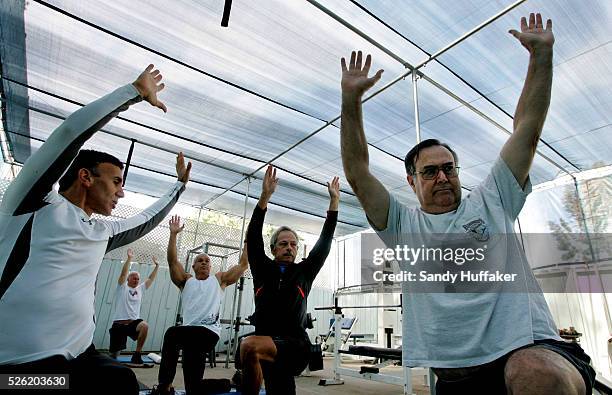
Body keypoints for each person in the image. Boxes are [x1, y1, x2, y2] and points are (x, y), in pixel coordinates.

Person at [340, 13, 595, 395]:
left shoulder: (491, 201)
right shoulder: (403, 226)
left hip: (528, 352)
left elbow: (527, 129)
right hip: (460, 379)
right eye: (429, 172)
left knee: (533, 371)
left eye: (449, 168)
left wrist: (540, 56)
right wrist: (351, 100)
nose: (442, 177)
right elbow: (358, 173)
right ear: (411, 181)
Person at [0, 65, 191, 394]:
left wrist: (179, 187)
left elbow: (148, 219)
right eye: (116, 181)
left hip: (78, 358)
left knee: (121, 381)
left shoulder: (100, 232)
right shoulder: (34, 202)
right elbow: (67, 135)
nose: (121, 192)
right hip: (18, 370)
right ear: (86, 177)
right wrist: (131, 93)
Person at [240, 166, 339, 395]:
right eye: (283, 244)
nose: (289, 248)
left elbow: (325, 241)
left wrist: (334, 203)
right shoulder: (262, 268)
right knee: (280, 388)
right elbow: (253, 237)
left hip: (296, 346)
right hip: (269, 343)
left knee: (249, 346)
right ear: (273, 248)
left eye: (293, 244)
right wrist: (264, 197)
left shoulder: (305, 271)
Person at [150, 215, 249, 395]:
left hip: (208, 332)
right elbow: (172, 261)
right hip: (189, 334)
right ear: (193, 266)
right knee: (193, 388)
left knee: (172, 334)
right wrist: (173, 235)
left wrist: (247, 242)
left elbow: (243, 265)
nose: (204, 262)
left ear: (210, 267)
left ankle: (164, 387)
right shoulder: (186, 281)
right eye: (200, 260)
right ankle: (232, 383)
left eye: (207, 261)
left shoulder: (218, 280)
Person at [109, 248, 160, 364]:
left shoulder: (140, 289)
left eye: (138, 278)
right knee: (113, 356)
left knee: (144, 326)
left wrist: (157, 266)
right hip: (119, 324)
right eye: (134, 278)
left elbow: (150, 278)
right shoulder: (122, 287)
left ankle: (137, 354)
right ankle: (114, 353)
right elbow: (123, 274)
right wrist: (129, 259)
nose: (136, 280)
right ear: (128, 279)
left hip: (133, 324)